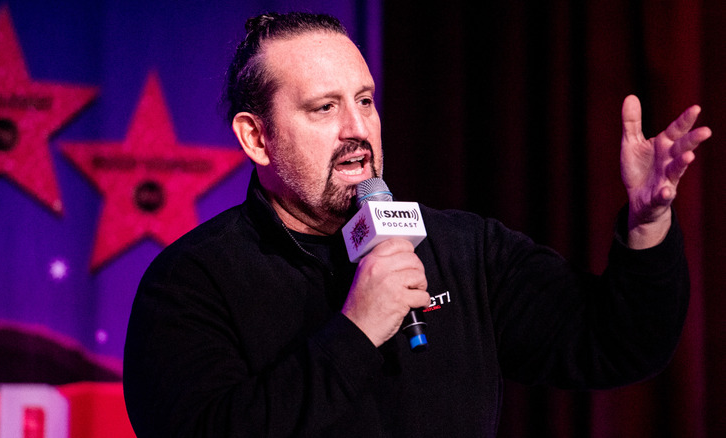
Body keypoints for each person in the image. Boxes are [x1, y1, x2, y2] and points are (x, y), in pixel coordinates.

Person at [122, 12, 712, 437]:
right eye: (325, 108)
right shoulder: (192, 283)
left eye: (366, 101)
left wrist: (648, 223)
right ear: (256, 137)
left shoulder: (464, 248)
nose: (357, 128)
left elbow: (618, 344)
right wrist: (355, 332)